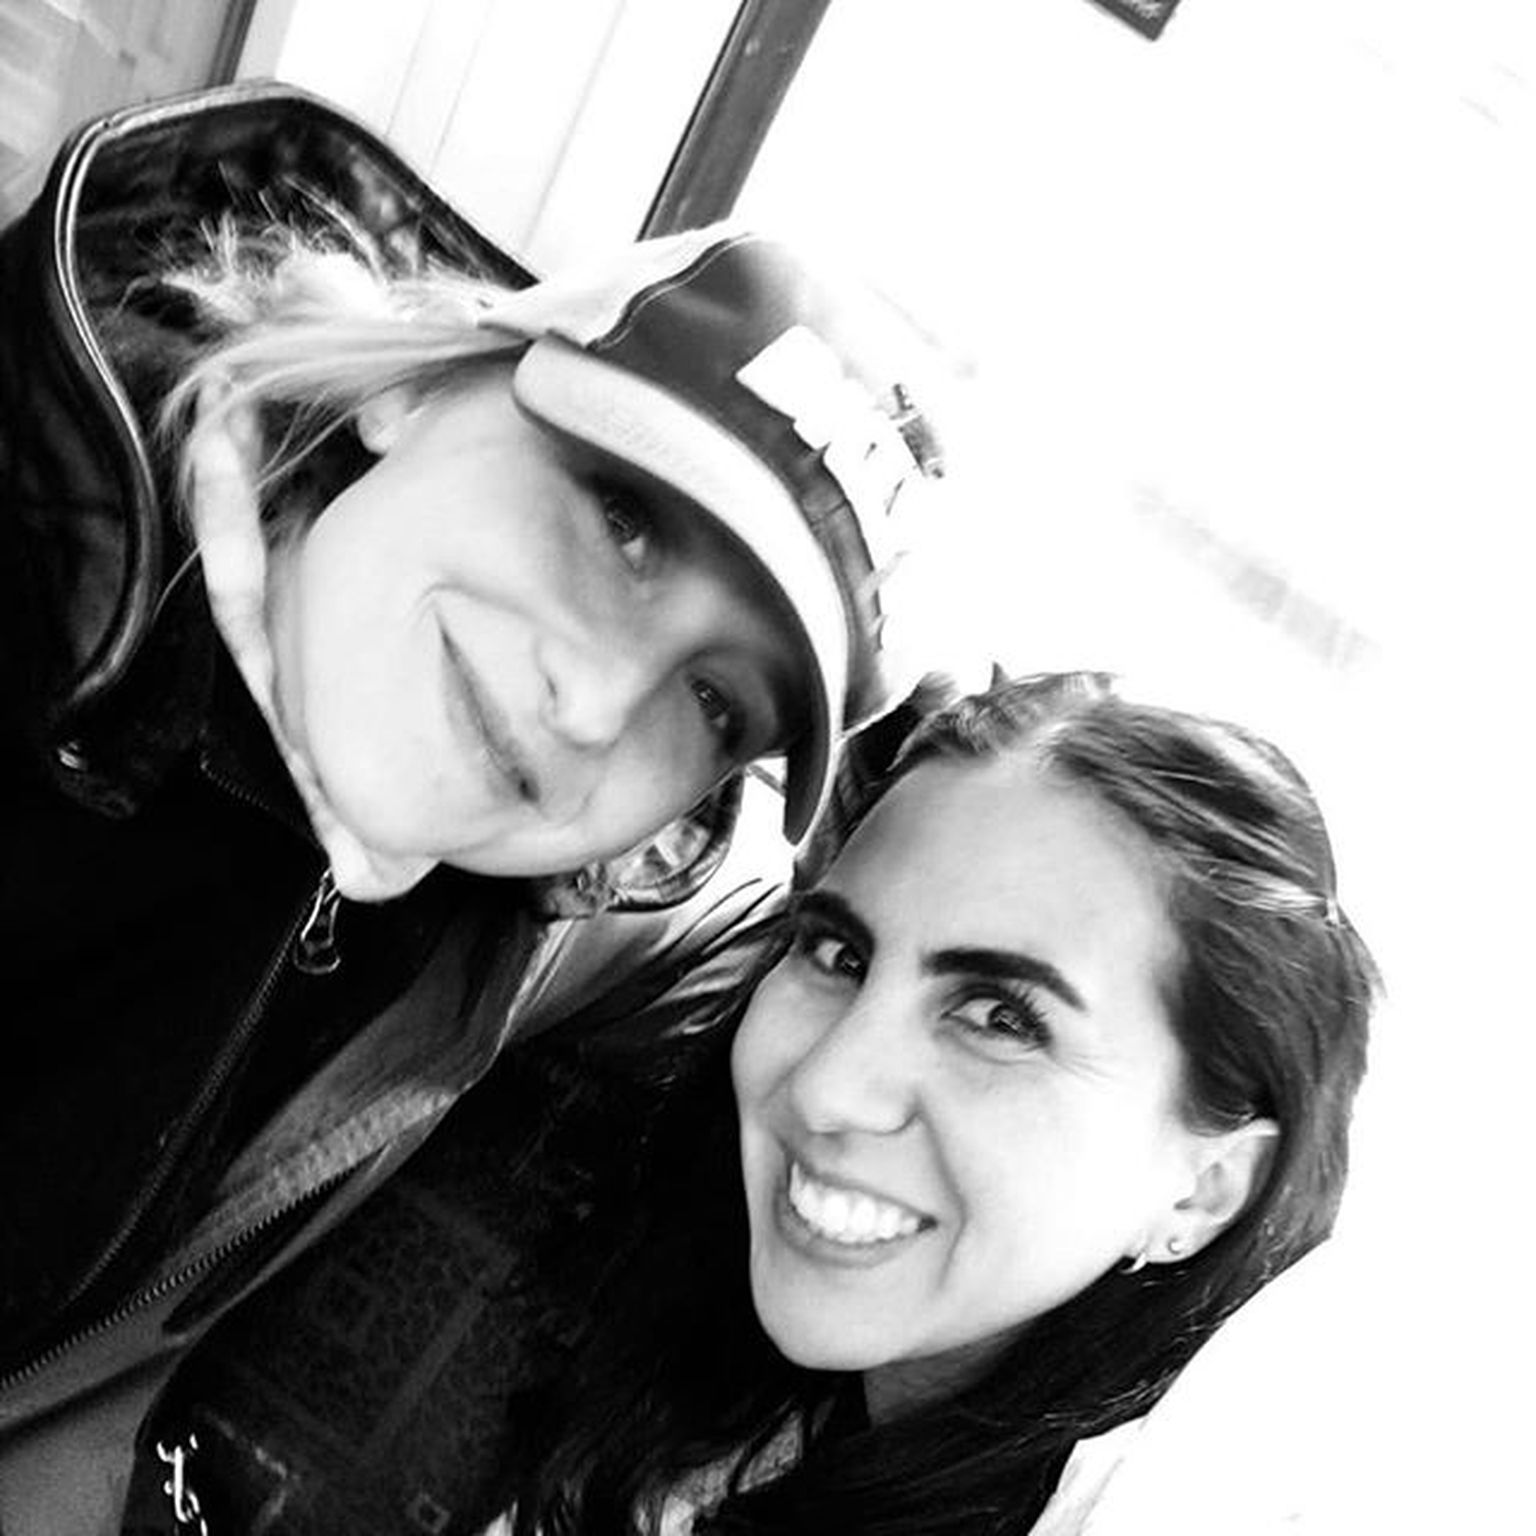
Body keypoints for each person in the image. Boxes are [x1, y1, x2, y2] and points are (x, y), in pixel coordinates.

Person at [0, 79, 949, 1448]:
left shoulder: (543, 900)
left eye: (715, 702)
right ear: (418, 383)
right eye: (622, 518)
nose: (597, 705)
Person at [480, 669, 1376, 1536]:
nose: (826, 1086)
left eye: (1001, 1019)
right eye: (839, 956)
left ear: (1204, 1190)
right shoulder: (736, 1390)